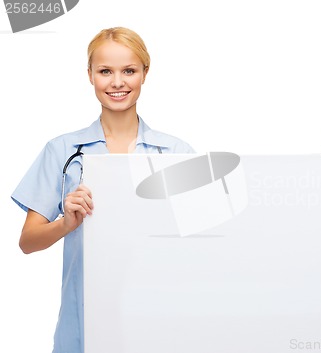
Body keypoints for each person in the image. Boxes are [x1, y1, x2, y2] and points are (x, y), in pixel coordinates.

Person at [11, 27, 194, 353]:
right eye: (105, 71)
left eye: (129, 71)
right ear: (90, 75)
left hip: (157, 318)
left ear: (145, 74)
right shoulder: (62, 150)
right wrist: (66, 223)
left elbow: (202, 242)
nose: (118, 82)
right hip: (81, 322)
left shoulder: (175, 153)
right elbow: (27, 242)